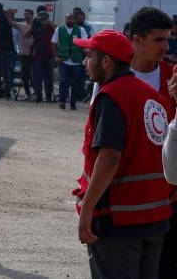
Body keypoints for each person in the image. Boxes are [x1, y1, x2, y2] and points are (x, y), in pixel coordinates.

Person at [73, 29, 171, 278]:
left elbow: (109, 158)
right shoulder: (153, 97)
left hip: (119, 219)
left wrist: (87, 208)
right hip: (156, 217)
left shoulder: (112, 97)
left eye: (89, 55)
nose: (85, 62)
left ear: (105, 61)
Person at [52, 13, 88, 110]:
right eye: (68, 18)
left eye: (71, 19)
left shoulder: (81, 30)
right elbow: (54, 44)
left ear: (74, 20)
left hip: (76, 61)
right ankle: (62, 101)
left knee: (75, 83)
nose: (70, 20)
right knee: (63, 81)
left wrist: (86, 52)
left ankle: (73, 103)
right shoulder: (59, 29)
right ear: (65, 19)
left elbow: (85, 44)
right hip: (63, 60)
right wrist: (56, 56)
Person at [28, 7, 56, 103]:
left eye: (44, 19)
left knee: (49, 77)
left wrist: (49, 22)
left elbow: (58, 29)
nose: (42, 21)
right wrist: (33, 25)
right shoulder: (36, 26)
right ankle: (38, 95)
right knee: (37, 77)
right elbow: (26, 35)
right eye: (41, 19)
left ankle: (48, 96)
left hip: (49, 55)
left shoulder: (50, 27)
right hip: (38, 55)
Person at [12, 9, 35, 101]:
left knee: (35, 74)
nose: (25, 16)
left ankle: (36, 92)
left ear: (32, 15)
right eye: (25, 14)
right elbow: (12, 24)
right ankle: (27, 92)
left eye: (27, 14)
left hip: (35, 54)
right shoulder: (22, 25)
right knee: (25, 74)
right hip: (25, 53)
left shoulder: (36, 25)